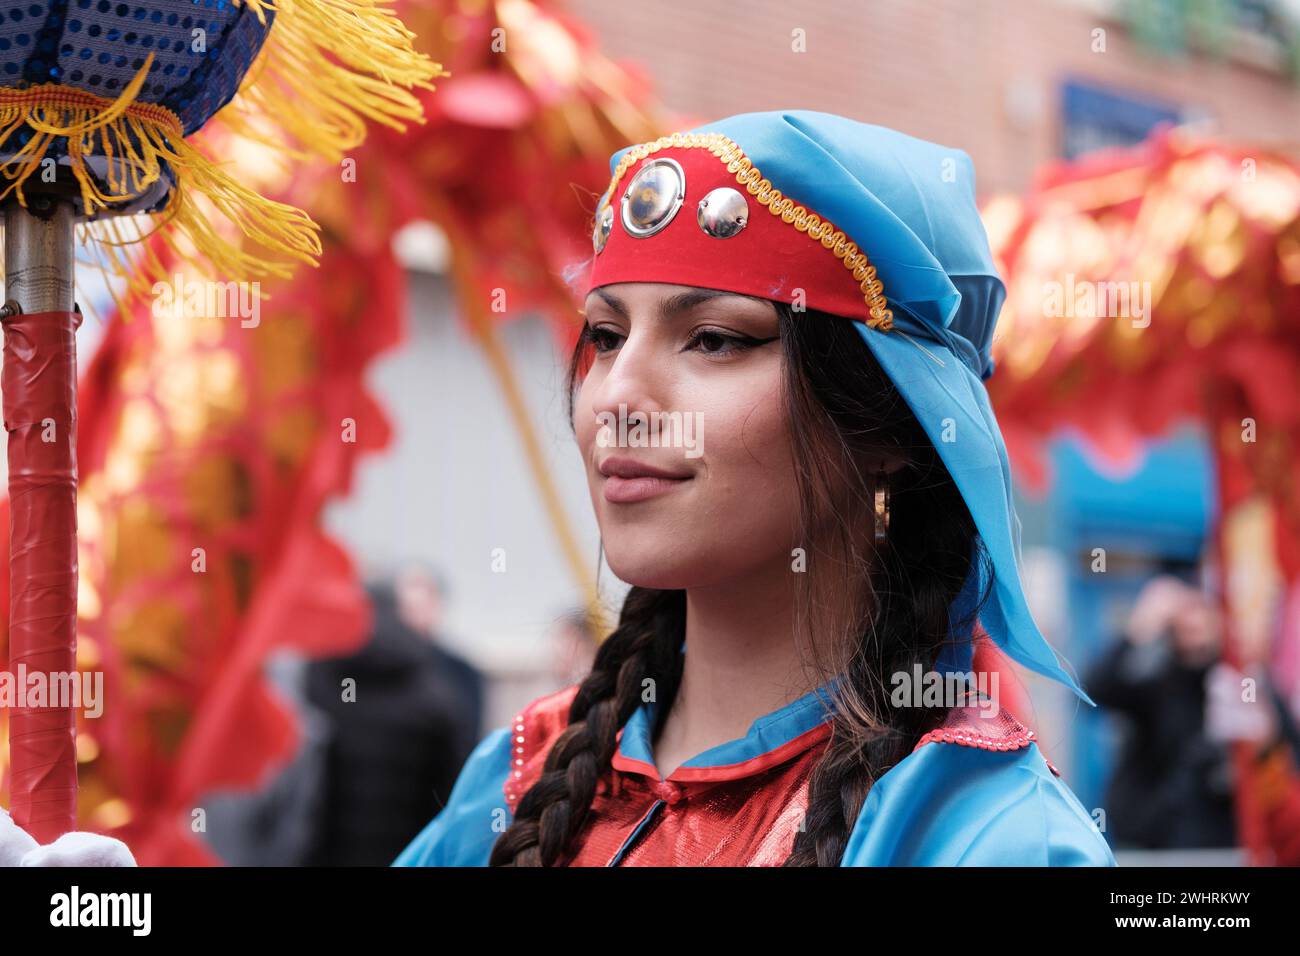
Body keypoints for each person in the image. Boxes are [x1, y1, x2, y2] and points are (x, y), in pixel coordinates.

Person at [393, 110, 1115, 867]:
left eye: (714, 340)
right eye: (606, 337)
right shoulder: (516, 778)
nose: (614, 399)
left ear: (889, 428)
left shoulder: (989, 840)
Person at [1086, 574, 1236, 850]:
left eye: (1203, 612)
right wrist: (1139, 629)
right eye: (1186, 617)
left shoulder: (1234, 684)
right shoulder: (1152, 680)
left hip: (1217, 843)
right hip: (1150, 840)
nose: (1195, 627)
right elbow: (1092, 693)